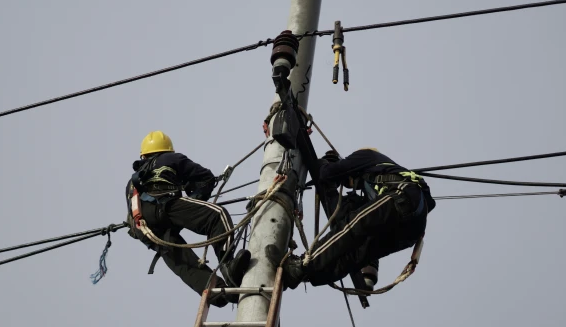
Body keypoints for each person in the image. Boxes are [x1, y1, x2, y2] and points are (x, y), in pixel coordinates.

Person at [267, 147, 436, 290]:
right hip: (411, 229)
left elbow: (326, 174)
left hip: (403, 196)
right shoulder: (374, 187)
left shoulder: (367, 156)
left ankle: (302, 264)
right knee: (355, 254)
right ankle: (305, 274)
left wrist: (328, 164)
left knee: (351, 227)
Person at [126, 131, 250, 307]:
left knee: (182, 261)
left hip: (142, 227)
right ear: (167, 150)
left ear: (143, 155)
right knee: (216, 216)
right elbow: (205, 178)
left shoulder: (131, 184)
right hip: (165, 205)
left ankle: (219, 294)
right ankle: (228, 267)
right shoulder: (172, 159)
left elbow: (130, 219)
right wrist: (196, 199)